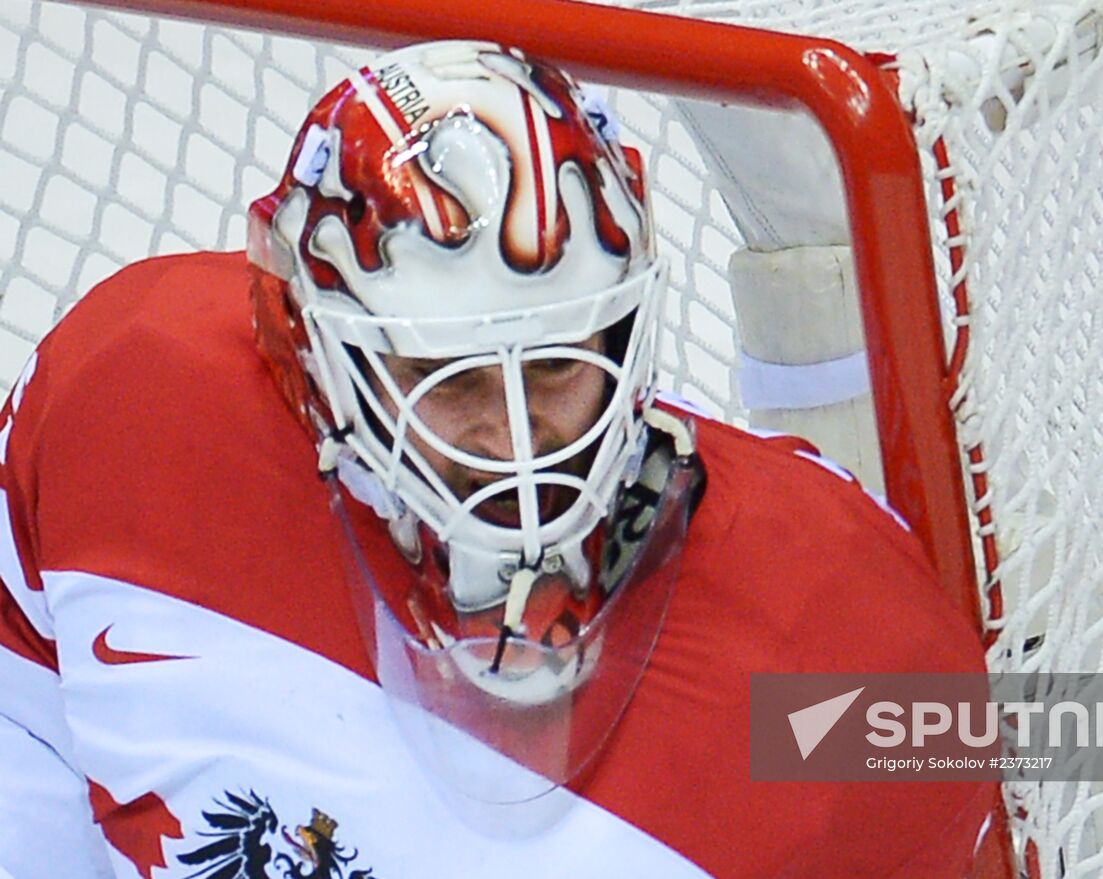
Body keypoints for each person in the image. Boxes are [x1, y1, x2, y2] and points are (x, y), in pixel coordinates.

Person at [0, 40, 999, 878]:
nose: (516, 443)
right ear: (305, 343)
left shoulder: (847, 651)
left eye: (559, 367)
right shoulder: (128, 408)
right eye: (453, 379)